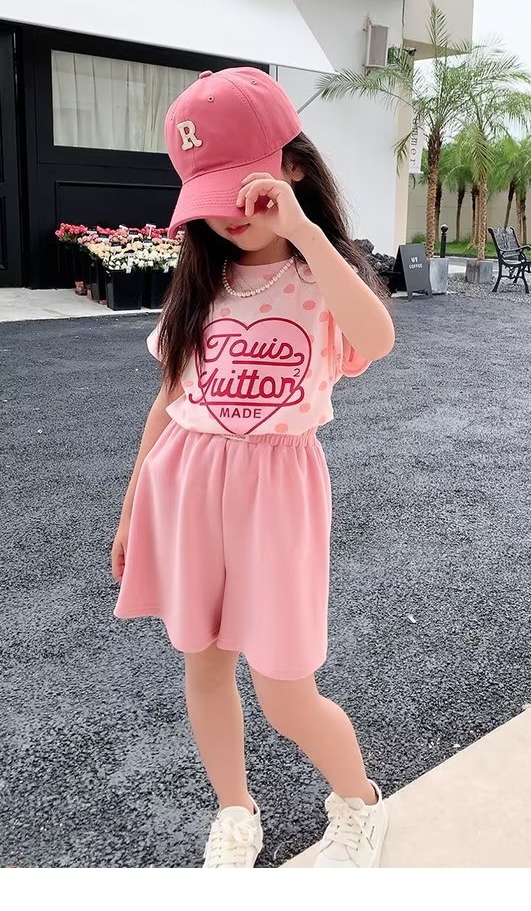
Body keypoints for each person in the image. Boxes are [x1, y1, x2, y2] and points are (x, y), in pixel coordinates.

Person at [111, 67, 395, 869]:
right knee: (204, 667)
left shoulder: (320, 278)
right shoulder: (200, 285)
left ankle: (360, 803)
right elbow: (169, 401)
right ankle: (236, 811)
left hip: (277, 497)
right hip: (186, 489)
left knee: (285, 690)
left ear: (293, 167)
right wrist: (131, 511)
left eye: (246, 188)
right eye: (212, 196)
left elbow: (376, 339)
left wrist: (305, 233)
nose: (232, 212)